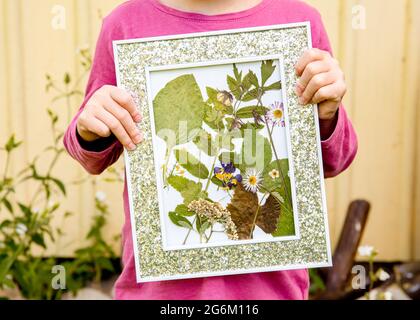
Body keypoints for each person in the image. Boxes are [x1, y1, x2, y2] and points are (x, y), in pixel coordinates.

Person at [64, 0, 358, 300]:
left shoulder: (299, 21)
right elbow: (91, 155)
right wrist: (90, 128)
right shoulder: (125, 24)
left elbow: (335, 159)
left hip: (267, 292)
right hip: (161, 294)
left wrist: (326, 114)